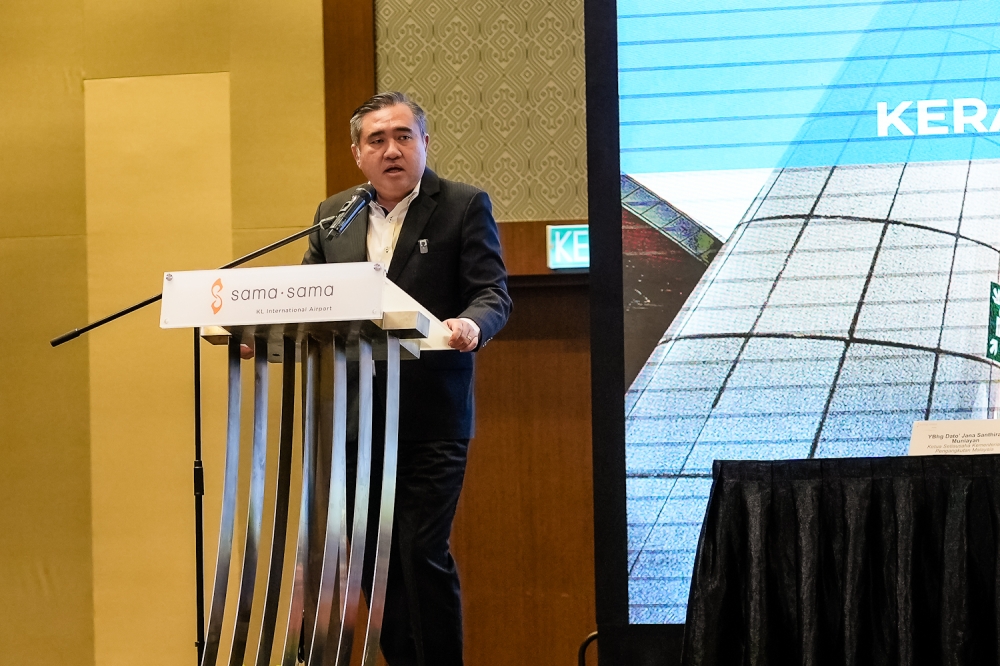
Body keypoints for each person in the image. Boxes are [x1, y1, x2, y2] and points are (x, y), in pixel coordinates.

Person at [302, 91, 511, 666]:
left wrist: (471, 323)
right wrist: (257, 332)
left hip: (430, 417)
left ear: (424, 144)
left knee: (420, 547)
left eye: (403, 136)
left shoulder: (463, 206)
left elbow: (492, 292)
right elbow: (308, 299)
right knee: (374, 558)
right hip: (356, 419)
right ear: (356, 153)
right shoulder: (332, 215)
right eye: (377, 140)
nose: (391, 150)